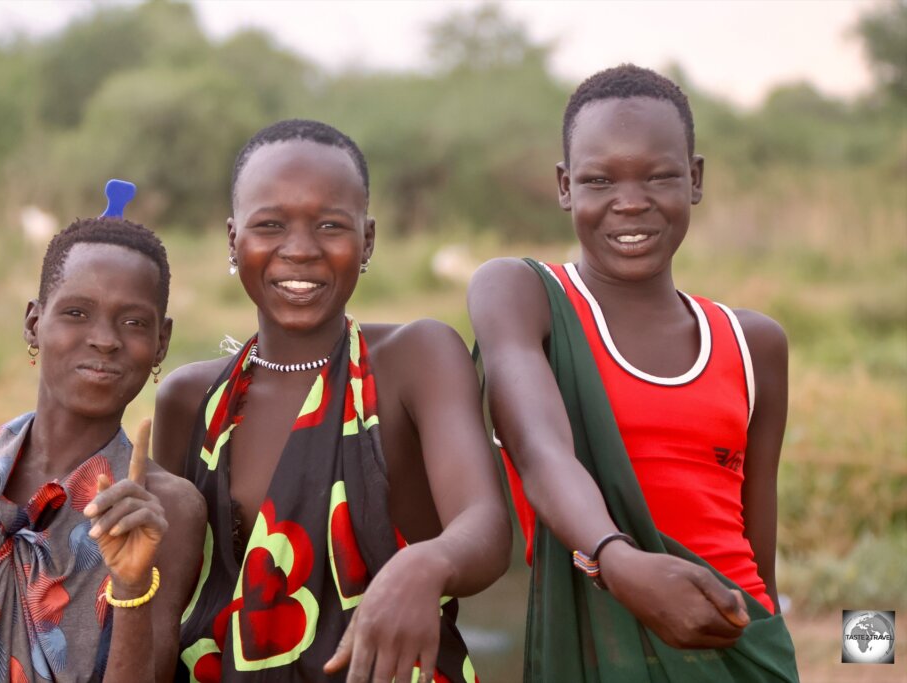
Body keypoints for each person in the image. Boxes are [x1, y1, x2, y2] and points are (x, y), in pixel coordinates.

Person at [468, 65, 799, 681]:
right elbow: (539, 451)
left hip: (730, 649)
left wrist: (766, 644)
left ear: (695, 179)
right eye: (599, 180)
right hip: (588, 641)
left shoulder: (754, 344)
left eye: (659, 176)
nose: (629, 202)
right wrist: (617, 563)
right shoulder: (521, 294)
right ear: (566, 187)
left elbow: (757, 550)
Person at [154, 119, 511, 683]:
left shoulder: (416, 358)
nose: (300, 250)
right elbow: (158, 588)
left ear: (366, 240)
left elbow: (486, 527)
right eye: (270, 225)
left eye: (330, 225)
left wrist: (425, 564)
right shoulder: (191, 399)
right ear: (233, 240)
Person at [0, 216, 207, 682]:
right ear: (33, 322)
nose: (104, 339)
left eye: (133, 321)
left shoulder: (163, 507)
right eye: (77, 313)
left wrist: (131, 582)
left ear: (160, 342)